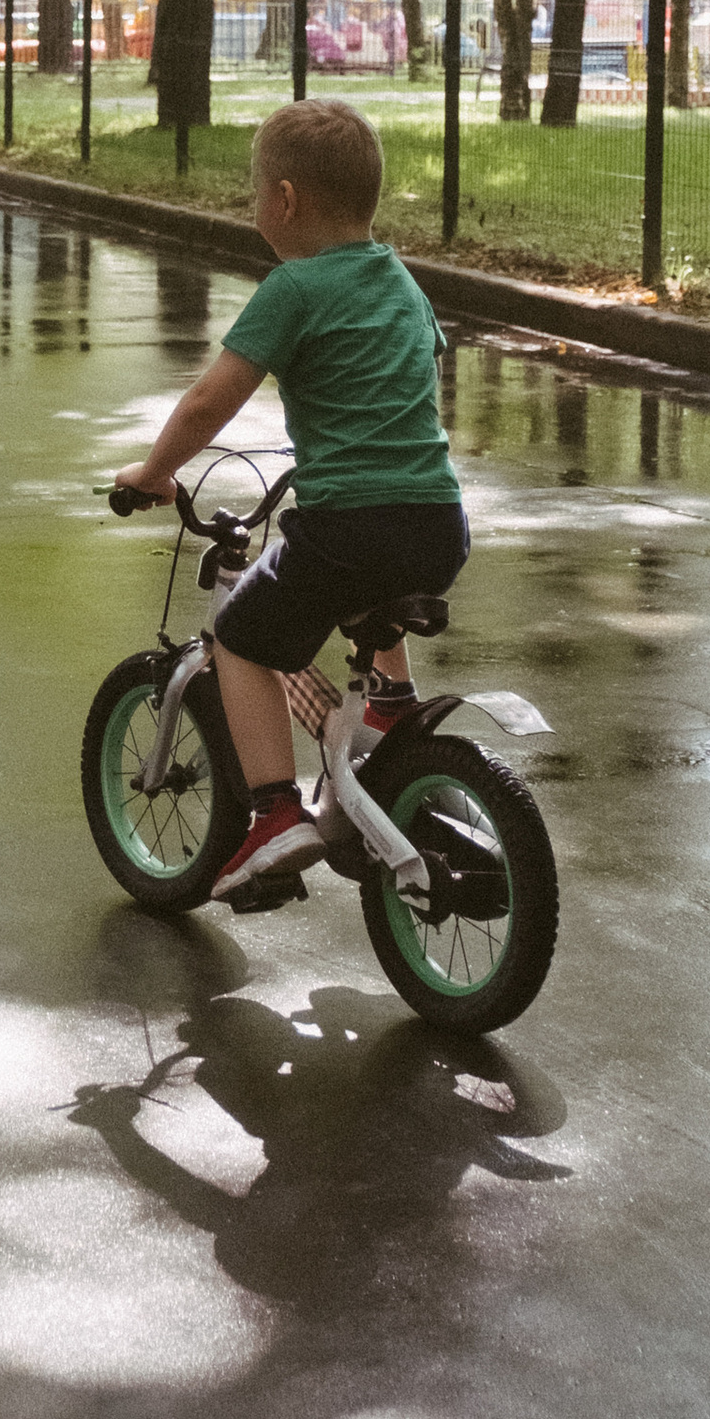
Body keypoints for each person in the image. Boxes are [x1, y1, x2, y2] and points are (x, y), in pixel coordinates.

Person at [113, 94, 466, 901]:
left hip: (352, 526)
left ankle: (275, 812)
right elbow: (399, 382)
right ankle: (390, 705)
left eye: (253, 191)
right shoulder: (403, 283)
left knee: (244, 637)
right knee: (359, 587)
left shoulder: (294, 288)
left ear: (285, 201)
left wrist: (156, 471)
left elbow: (212, 400)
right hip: (439, 522)